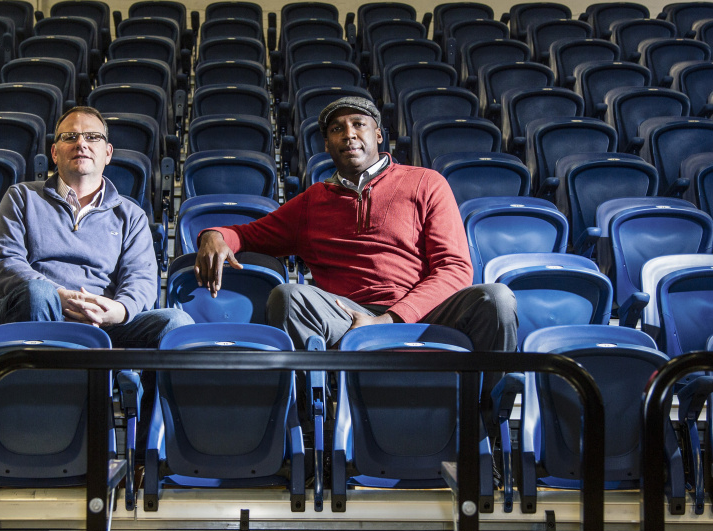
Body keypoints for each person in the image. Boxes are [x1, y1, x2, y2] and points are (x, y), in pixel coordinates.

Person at [194, 96, 517, 356]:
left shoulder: (425, 182)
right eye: (336, 129)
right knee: (289, 294)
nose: (348, 134)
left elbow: (454, 268)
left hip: (424, 310)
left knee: (496, 298)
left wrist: (388, 319)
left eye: (358, 124)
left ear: (377, 135)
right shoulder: (312, 201)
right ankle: (314, 407)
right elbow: (248, 234)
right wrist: (214, 235)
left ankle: (486, 408)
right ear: (326, 145)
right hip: (346, 315)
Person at [0, 106, 191, 346]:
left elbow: (141, 278)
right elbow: (5, 262)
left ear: (107, 153)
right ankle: (42, 382)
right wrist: (59, 296)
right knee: (38, 294)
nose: (81, 143)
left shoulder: (131, 215)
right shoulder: (22, 197)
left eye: (92, 137)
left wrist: (117, 310)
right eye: (70, 137)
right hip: (33, 313)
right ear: (54, 152)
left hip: (101, 323)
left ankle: (141, 385)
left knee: (177, 322)